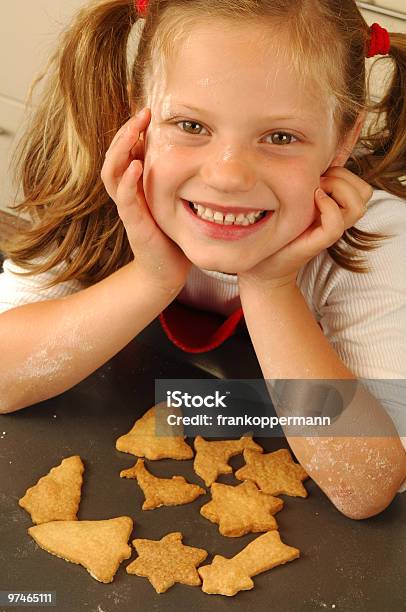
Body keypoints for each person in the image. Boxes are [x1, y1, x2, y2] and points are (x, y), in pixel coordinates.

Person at [0, 0, 405, 518]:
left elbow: (367, 485)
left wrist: (270, 284)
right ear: (138, 114)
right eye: (191, 126)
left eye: (280, 137)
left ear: (343, 140)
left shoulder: (374, 236)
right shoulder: (98, 196)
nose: (228, 176)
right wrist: (152, 275)